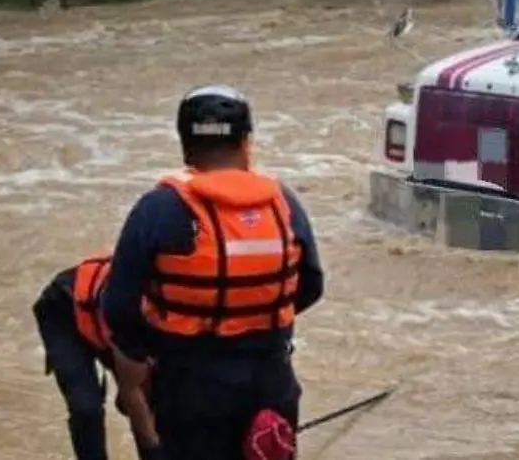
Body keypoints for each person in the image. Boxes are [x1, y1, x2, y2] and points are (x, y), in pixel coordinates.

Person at [101, 84, 326, 460]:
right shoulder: (283, 202)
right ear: (246, 142)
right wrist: (256, 320)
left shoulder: (158, 208)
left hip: (189, 389)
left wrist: (147, 353)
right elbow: (311, 286)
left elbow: (119, 308)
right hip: (270, 385)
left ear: (185, 146)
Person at [32, 253, 163, 460]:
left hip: (102, 317)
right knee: (86, 407)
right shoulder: (127, 306)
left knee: (154, 401)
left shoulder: (178, 305)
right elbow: (133, 390)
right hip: (63, 310)